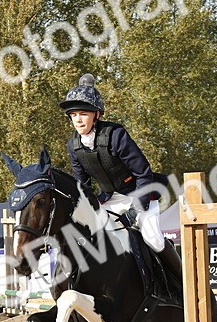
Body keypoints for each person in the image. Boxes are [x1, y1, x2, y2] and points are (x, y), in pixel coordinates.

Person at [60, 73, 182, 284]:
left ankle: (181, 282)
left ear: (96, 114)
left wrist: (138, 207)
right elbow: (83, 187)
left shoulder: (115, 135)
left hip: (141, 191)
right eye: (73, 115)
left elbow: (143, 172)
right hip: (111, 198)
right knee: (94, 236)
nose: (78, 119)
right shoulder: (74, 145)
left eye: (83, 114)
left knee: (152, 238)